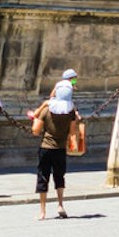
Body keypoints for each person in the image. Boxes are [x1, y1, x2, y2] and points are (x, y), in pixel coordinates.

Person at [31, 70, 81, 221]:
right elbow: (72, 132)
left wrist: (36, 117)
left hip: (46, 148)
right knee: (59, 177)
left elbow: (35, 131)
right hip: (60, 149)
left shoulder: (47, 111)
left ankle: (42, 211)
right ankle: (60, 205)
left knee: (43, 177)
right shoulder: (70, 112)